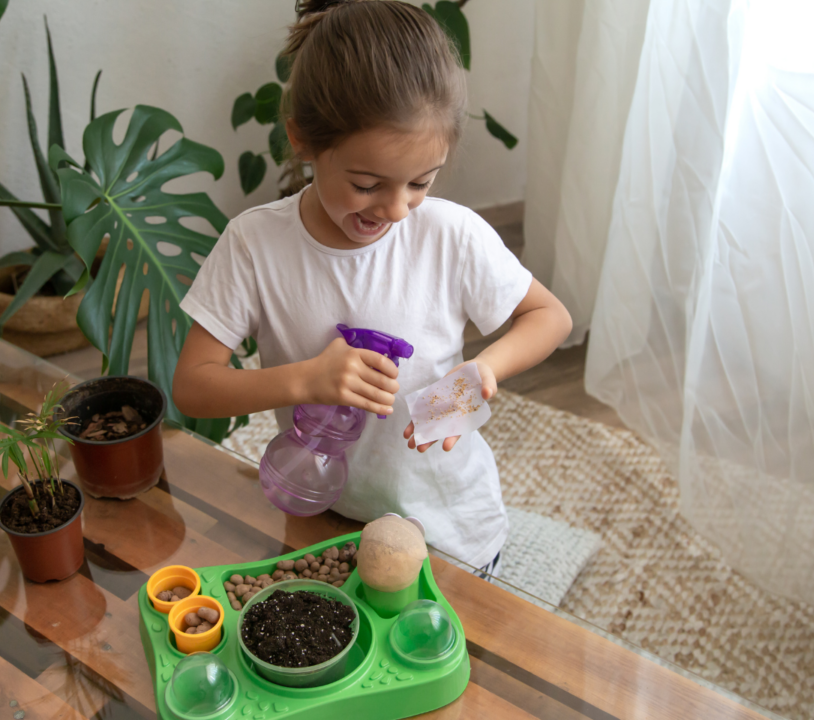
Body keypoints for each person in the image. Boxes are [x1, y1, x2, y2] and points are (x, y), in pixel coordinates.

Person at [175, 0, 572, 577]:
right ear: (303, 141)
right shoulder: (254, 244)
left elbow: (548, 315)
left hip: (448, 531)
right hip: (326, 520)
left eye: (420, 182)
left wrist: (482, 374)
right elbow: (192, 387)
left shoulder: (448, 234)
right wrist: (304, 379)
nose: (394, 209)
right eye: (366, 185)